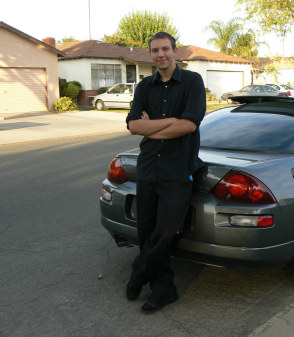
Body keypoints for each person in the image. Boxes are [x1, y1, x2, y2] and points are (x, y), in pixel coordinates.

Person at [125, 31, 206, 314]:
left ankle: (138, 274)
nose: (161, 54)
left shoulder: (193, 82)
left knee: (164, 234)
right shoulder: (145, 87)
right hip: (147, 169)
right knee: (146, 232)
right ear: (150, 54)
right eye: (155, 50)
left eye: (165, 49)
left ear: (175, 52)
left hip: (177, 172)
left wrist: (155, 126)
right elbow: (134, 126)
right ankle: (163, 290)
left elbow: (189, 125)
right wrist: (171, 121)